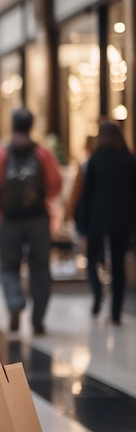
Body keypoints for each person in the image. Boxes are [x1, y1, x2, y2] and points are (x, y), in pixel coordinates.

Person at [0, 107, 62, 335]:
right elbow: (55, 184)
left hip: (9, 221)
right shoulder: (42, 153)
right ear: (31, 126)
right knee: (40, 267)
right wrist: (42, 199)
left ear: (12, 125)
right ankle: (38, 318)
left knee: (9, 266)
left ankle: (15, 303)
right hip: (37, 219)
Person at [79, 121, 136, 324]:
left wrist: (82, 220)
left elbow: (86, 193)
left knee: (93, 259)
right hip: (121, 221)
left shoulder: (96, 159)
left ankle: (97, 295)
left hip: (97, 219)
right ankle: (116, 311)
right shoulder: (128, 160)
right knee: (118, 266)